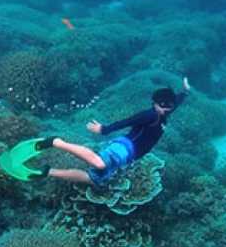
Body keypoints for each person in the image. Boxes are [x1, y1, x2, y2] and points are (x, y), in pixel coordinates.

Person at [33, 76, 191, 186]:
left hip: (130, 156)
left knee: (94, 180)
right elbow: (126, 122)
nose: (165, 109)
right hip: (125, 147)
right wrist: (103, 129)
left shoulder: (167, 109)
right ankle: (57, 142)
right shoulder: (149, 115)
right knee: (99, 164)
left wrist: (185, 91)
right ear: (154, 103)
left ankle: (48, 172)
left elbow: (177, 101)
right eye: (162, 105)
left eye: (168, 106)